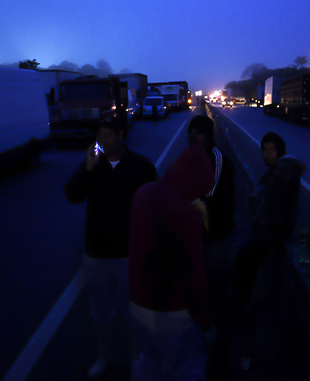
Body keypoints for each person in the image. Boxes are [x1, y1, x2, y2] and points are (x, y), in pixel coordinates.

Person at [64, 115, 158, 380]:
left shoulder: (140, 166)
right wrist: (87, 168)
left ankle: (137, 359)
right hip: (97, 253)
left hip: (130, 253)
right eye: (99, 136)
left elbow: (154, 206)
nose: (102, 141)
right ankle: (104, 357)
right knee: (101, 311)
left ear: (120, 136)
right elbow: (72, 195)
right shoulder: (93, 165)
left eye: (107, 135)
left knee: (134, 312)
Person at [128, 145, 215, 381]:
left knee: (150, 363)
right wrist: (205, 322)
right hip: (172, 310)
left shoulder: (142, 193)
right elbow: (193, 276)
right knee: (186, 369)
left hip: (138, 302)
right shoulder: (186, 214)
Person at [229, 131, 305, 318]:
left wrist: (258, 210)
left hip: (279, 227)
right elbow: (261, 188)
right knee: (249, 260)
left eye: (272, 150)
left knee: (244, 258)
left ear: (280, 150)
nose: (269, 154)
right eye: (265, 150)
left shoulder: (284, 168)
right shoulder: (276, 168)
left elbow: (268, 196)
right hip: (273, 225)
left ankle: (238, 306)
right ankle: (240, 303)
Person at [186, 115, 236, 324]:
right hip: (198, 237)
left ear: (207, 135)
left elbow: (207, 194)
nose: (192, 137)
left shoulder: (217, 158)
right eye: (190, 133)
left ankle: (220, 331)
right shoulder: (192, 157)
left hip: (216, 236)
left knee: (216, 289)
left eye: (197, 133)